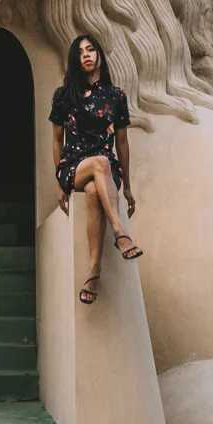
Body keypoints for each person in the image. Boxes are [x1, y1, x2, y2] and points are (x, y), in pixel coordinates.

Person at [50, 33, 141, 303]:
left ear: (99, 54)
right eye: (80, 53)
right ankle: (120, 232)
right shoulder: (64, 95)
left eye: (90, 50)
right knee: (99, 163)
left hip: (105, 170)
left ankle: (93, 273)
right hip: (74, 166)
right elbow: (56, 141)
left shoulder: (116, 96)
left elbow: (122, 144)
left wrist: (129, 188)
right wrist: (60, 184)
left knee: (94, 191)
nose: (86, 55)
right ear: (75, 61)